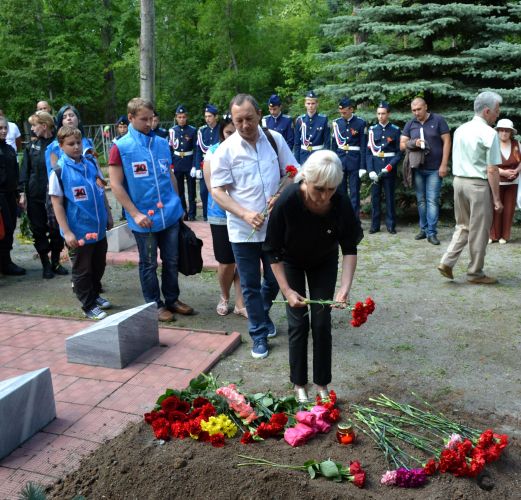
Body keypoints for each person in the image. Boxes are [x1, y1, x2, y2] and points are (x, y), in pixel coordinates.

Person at [264, 150, 362, 402]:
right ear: (305, 179)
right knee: (298, 322)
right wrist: (286, 290)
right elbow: (271, 250)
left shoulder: (339, 201)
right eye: (319, 189)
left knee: (321, 322)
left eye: (331, 189)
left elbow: (349, 247)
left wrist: (344, 288)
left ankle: (321, 383)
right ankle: (299, 383)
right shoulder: (287, 201)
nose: (324, 196)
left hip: (323, 261)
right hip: (291, 262)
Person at [211, 93, 298, 359]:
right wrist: (245, 214)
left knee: (274, 280)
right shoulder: (226, 150)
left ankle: (260, 314)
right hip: (242, 230)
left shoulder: (275, 140)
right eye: (239, 121)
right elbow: (218, 192)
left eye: (249, 118)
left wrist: (281, 195)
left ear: (259, 114)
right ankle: (258, 334)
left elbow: (293, 171)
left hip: (275, 228)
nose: (245, 125)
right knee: (249, 284)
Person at [109, 97, 194, 321]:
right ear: (130, 118)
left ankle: (172, 299)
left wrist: (179, 202)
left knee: (172, 259)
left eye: (152, 119)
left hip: (170, 214)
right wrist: (135, 213)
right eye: (144, 119)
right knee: (148, 263)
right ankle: (154, 305)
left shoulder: (161, 142)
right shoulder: (121, 147)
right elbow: (116, 185)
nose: (149, 124)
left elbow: (170, 175)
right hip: (143, 219)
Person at [438, 91, 503, 284]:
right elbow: (492, 169)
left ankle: (447, 262)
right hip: (478, 185)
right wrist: (497, 199)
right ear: (486, 111)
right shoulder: (490, 134)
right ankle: (475, 273)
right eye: (496, 111)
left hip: (458, 182)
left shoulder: (461, 129)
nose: (498, 115)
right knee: (480, 230)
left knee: (463, 225)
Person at [50, 126, 112, 319]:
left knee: (98, 265)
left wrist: (108, 214)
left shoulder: (91, 164)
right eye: (71, 144)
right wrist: (67, 231)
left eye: (79, 142)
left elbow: (101, 190)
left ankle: (94, 294)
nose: (76, 147)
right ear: (61, 146)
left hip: (98, 227)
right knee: (82, 269)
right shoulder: (59, 172)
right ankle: (88, 304)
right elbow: (57, 204)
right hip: (78, 232)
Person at [203, 114, 246, 317]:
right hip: (221, 213)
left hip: (244, 214)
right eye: (228, 132)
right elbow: (213, 189)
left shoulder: (247, 149)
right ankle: (224, 295)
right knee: (227, 261)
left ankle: (240, 303)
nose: (232, 136)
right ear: (222, 132)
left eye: (235, 132)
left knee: (244, 259)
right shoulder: (213, 152)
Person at [19, 112, 67, 279]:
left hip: (55, 196)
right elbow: (25, 171)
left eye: (34, 125)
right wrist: (22, 193)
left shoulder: (58, 145)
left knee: (56, 231)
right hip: (35, 196)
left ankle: (55, 262)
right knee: (38, 231)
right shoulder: (31, 147)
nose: (32, 129)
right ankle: (45, 265)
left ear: (44, 126)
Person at [401, 98, 451, 245]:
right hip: (417, 169)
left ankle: (432, 232)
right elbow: (402, 145)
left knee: (432, 200)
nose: (416, 113)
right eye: (414, 110)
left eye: (419, 109)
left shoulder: (438, 120)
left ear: (426, 107)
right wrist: (413, 143)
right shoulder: (411, 124)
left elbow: (447, 141)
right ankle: (423, 229)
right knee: (421, 201)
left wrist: (444, 164)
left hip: (435, 169)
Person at [366, 101, 402, 234]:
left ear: (388, 114)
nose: (380, 116)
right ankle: (375, 225)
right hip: (375, 168)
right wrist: (370, 171)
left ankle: (391, 225)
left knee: (389, 197)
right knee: (375, 198)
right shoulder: (372, 130)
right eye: (379, 114)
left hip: (388, 168)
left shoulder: (395, 130)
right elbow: (369, 152)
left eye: (383, 113)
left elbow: (399, 153)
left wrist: (390, 166)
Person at [332, 97, 366, 217]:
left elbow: (363, 146)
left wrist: (362, 166)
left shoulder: (360, 123)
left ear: (351, 109)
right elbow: (334, 146)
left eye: (345, 112)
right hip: (340, 160)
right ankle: (342, 217)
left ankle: (354, 218)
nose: (342, 114)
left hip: (354, 161)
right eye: (341, 112)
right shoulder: (337, 123)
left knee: (354, 192)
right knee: (340, 192)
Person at [0, 116, 26, 275]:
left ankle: (6, 263)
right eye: (0, 128)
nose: (3, 131)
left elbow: (15, 174)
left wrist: (19, 193)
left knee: (9, 229)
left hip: (9, 196)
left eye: (5, 128)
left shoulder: (9, 149)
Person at [489, 118, 521, 244]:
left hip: (512, 183)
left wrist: (517, 171)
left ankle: (505, 236)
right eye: (501, 130)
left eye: (507, 131)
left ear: (511, 132)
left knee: (508, 210)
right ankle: (493, 235)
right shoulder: (493, 144)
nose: (504, 133)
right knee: (495, 208)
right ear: (498, 131)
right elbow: (489, 164)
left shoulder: (517, 145)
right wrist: (503, 172)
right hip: (496, 182)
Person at [46, 104, 95, 175]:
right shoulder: (54, 146)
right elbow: (54, 174)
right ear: (61, 122)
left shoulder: (88, 142)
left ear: (79, 120)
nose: (68, 118)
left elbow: (96, 167)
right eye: (64, 117)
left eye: (71, 115)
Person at [169, 105, 197, 221]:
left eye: (183, 117)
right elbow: (170, 149)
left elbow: (196, 150)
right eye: (179, 117)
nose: (181, 119)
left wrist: (195, 165)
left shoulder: (192, 130)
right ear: (176, 117)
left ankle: (192, 213)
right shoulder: (172, 131)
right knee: (179, 190)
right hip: (177, 163)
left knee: (191, 190)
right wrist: (171, 164)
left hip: (189, 162)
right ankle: (183, 212)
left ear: (187, 117)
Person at [194, 104, 220, 221]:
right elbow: (198, 150)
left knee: (218, 189)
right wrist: (197, 167)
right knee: (204, 191)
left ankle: (218, 213)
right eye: (206, 116)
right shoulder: (202, 131)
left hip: (218, 163)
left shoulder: (221, 129)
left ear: (216, 117)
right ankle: (205, 215)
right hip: (205, 164)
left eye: (210, 116)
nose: (207, 119)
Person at [294, 91, 330, 165]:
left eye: (313, 103)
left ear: (317, 104)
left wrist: (326, 159)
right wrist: (296, 162)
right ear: (305, 104)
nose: (310, 106)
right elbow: (297, 143)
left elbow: (327, 142)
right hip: (304, 156)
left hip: (319, 156)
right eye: (308, 103)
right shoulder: (300, 120)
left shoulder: (323, 119)